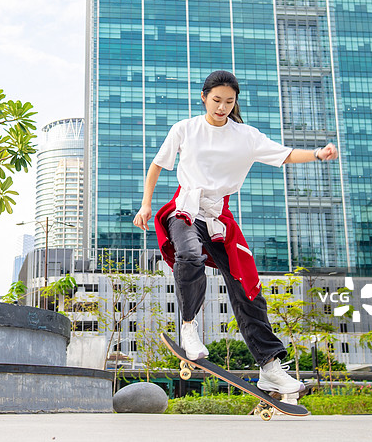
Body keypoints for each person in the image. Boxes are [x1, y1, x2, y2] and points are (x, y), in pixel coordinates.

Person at [133, 70, 338, 395]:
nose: (222, 107)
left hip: (220, 219)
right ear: (204, 97)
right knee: (189, 255)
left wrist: (317, 154)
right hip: (185, 209)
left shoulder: (246, 136)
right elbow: (157, 165)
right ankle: (189, 327)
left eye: (229, 102)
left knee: (248, 287)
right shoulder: (185, 129)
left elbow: (283, 154)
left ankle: (271, 368)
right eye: (216, 100)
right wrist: (146, 205)